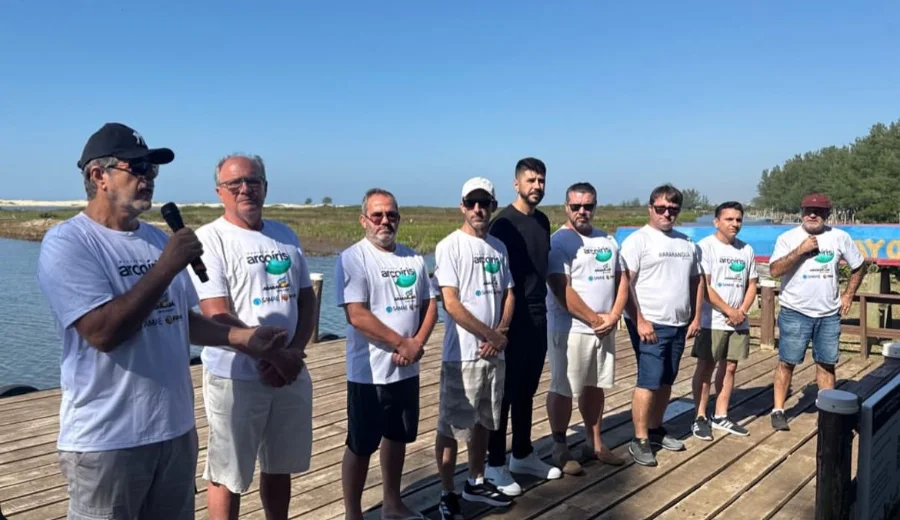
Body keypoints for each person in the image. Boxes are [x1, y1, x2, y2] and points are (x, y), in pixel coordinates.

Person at [36, 123, 288, 520]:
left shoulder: (155, 239)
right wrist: (167, 266)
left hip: (175, 432)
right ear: (98, 176)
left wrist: (244, 337)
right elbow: (103, 332)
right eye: (136, 167)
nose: (148, 178)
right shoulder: (69, 242)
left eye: (152, 169)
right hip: (107, 440)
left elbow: (180, 320)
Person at [188, 154, 314, 520]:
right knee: (228, 474)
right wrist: (274, 358)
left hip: (289, 371)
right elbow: (215, 312)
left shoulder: (285, 234)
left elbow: (306, 299)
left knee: (279, 465)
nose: (246, 189)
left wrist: (294, 351)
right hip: (235, 376)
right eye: (235, 184)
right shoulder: (209, 239)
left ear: (265, 188)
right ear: (220, 192)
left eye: (254, 181)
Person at [336, 188, 439, 520]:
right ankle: (354, 513)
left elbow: (430, 304)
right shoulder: (354, 257)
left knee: (398, 436)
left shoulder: (412, 258)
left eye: (391, 215)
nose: (385, 221)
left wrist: (417, 343)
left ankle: (392, 504)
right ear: (364, 219)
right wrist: (401, 343)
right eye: (377, 215)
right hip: (370, 374)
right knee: (361, 443)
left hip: (407, 369)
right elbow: (357, 314)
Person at [433, 177, 516, 519]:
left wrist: (502, 331)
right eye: (472, 203)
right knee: (452, 428)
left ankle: (476, 480)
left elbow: (509, 293)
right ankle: (446, 491)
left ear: (493, 207)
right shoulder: (449, 246)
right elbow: (450, 302)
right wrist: (488, 335)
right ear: (462, 207)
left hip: (494, 353)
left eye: (485, 203)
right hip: (463, 355)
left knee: (484, 421)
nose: (478, 209)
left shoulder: (498, 247)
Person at [485, 157, 562, 497]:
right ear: (516, 184)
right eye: (530, 180)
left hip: (538, 312)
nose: (537, 186)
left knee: (527, 389)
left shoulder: (543, 221)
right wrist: (499, 325)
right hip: (510, 316)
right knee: (502, 393)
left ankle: (523, 453)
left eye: (541, 181)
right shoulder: (503, 224)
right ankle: (494, 462)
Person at [545, 182, 628, 475]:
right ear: (566, 207)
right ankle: (559, 446)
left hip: (604, 329)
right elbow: (559, 287)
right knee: (564, 388)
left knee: (595, 386)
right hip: (570, 330)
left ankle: (594, 443)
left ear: (595, 206)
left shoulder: (607, 240)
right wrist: (594, 319)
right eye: (576, 206)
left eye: (588, 206)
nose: (583, 211)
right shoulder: (560, 242)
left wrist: (615, 315)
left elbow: (623, 278)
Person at [767, 193, 866, 431]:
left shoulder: (840, 237)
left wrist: (848, 294)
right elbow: (774, 270)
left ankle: (828, 412)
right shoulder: (787, 238)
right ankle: (779, 409)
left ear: (827, 214)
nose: (813, 215)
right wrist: (800, 251)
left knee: (826, 363)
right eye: (808, 210)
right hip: (795, 311)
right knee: (787, 362)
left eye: (819, 211)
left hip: (828, 313)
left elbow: (859, 265)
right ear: (801, 212)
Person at [620, 184, 703, 467]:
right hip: (650, 324)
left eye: (673, 209)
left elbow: (697, 280)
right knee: (649, 380)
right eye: (661, 208)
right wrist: (639, 320)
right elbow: (625, 284)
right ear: (650, 208)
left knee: (667, 378)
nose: (667, 214)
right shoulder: (637, 241)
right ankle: (640, 438)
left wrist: (696, 317)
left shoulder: (686, 242)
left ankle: (655, 429)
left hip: (679, 323)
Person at [690, 202, 757, 441]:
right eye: (729, 219)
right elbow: (704, 287)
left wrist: (742, 310)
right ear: (716, 221)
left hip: (738, 321)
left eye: (738, 219)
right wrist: (728, 310)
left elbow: (752, 284)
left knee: (730, 367)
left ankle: (721, 414)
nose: (734, 224)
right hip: (713, 320)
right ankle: (699, 416)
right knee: (706, 367)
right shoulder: (705, 247)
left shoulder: (746, 249)